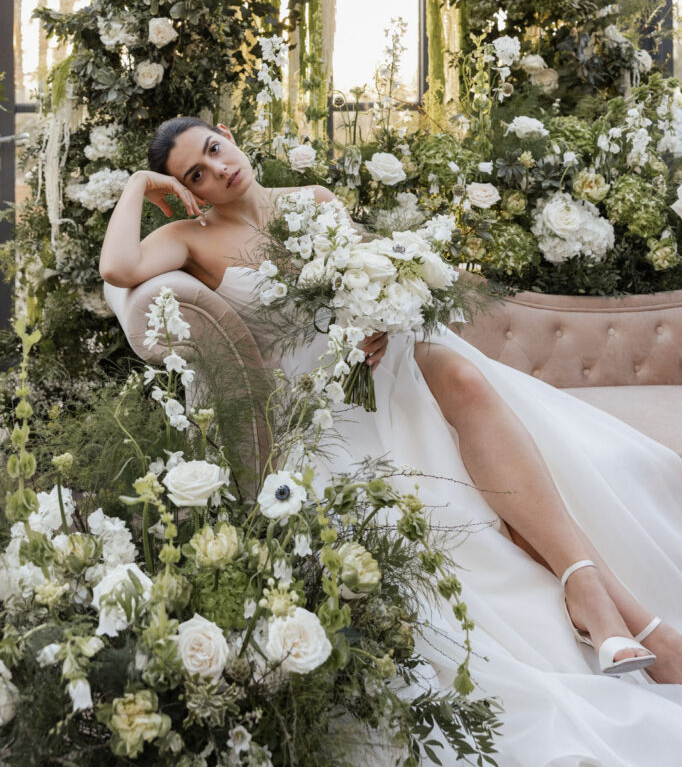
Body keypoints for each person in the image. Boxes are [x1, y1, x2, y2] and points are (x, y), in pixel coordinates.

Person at [100, 117, 682, 767]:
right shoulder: (191, 238)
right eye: (194, 175)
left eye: (214, 150)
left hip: (386, 363)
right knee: (463, 480)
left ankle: (598, 603)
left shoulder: (315, 200)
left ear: (231, 136)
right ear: (189, 191)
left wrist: (377, 313)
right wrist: (139, 187)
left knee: (460, 373)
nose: (216, 170)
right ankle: (628, 618)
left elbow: (368, 281)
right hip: (326, 406)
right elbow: (119, 266)